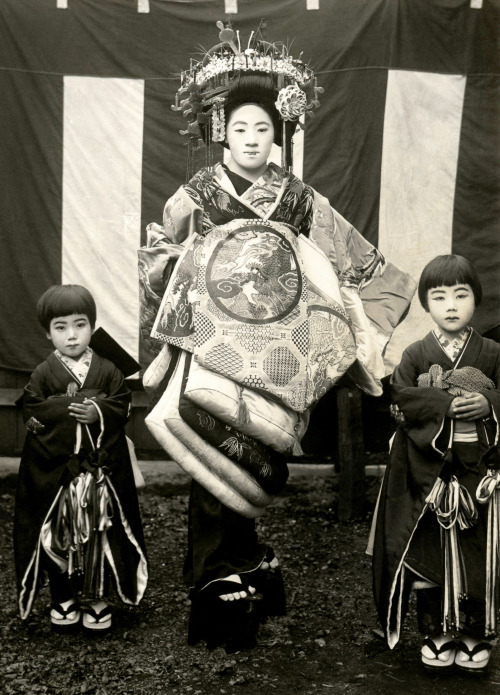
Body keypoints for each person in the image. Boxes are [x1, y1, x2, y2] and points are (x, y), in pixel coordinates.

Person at [139, 21, 415, 653]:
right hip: (209, 347)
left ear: (280, 133)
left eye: (263, 128)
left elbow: (356, 262)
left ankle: (245, 563)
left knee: (254, 460)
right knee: (210, 462)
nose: (252, 140)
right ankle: (215, 582)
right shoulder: (196, 195)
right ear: (220, 134)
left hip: (276, 359)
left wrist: (351, 324)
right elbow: (156, 258)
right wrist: (180, 264)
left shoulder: (299, 198)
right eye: (240, 129)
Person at [372, 254, 500, 673]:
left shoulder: (493, 353)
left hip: (480, 475)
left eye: (461, 295)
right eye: (439, 296)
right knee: (428, 552)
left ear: (475, 301)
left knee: (477, 554)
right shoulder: (414, 354)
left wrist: (490, 402)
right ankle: (437, 632)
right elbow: (401, 403)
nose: (450, 305)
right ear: (426, 304)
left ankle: (474, 635)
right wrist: (444, 407)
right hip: (429, 474)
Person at [14, 284, 148, 632]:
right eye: (61, 327)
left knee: (99, 535)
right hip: (60, 478)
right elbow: (33, 413)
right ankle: (63, 597)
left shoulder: (108, 369)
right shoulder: (44, 373)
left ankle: (98, 600)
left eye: (80, 324)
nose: (72, 336)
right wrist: (64, 411)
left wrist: (99, 412)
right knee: (59, 536)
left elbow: (121, 405)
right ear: (47, 332)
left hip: (99, 474)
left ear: (92, 326)